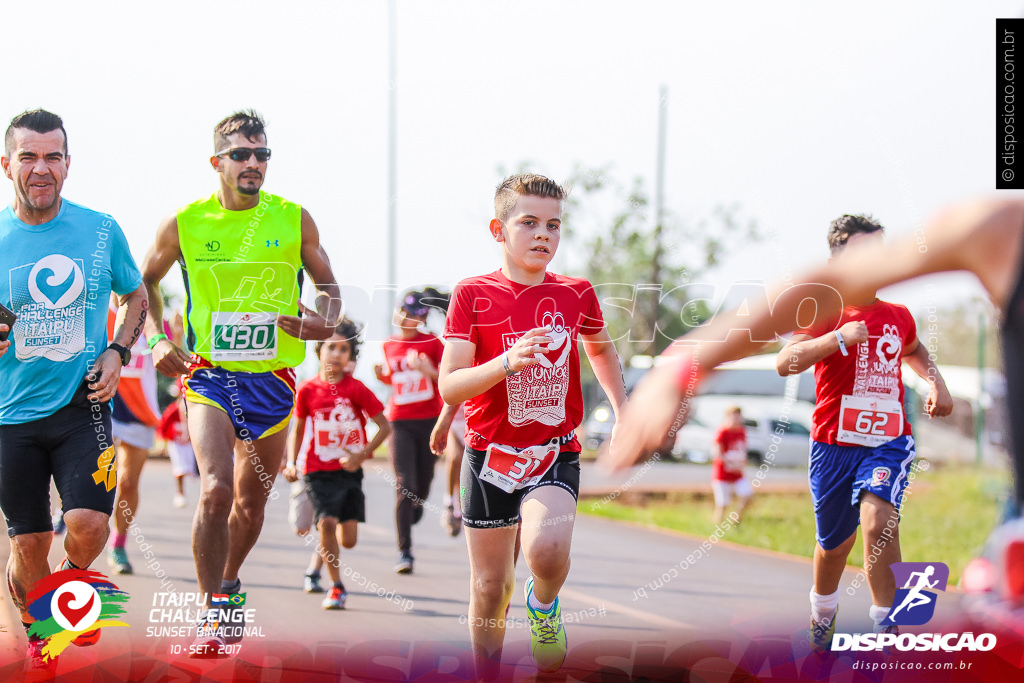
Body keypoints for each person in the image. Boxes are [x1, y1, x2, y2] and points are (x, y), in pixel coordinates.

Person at [140, 110, 341, 655]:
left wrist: (326, 321)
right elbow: (143, 285)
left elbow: (329, 287)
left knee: (250, 507)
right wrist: (157, 339)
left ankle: (227, 580)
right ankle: (211, 611)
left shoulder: (294, 219)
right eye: (242, 155)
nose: (254, 164)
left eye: (263, 154)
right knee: (215, 490)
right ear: (217, 162)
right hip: (208, 375)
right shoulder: (185, 222)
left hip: (273, 379)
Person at [439, 174, 627, 676]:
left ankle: (543, 606)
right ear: (498, 230)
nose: (543, 234)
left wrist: (625, 410)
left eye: (553, 225)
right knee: (488, 587)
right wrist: (506, 361)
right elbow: (451, 384)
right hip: (488, 454)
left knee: (546, 550)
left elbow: (601, 348)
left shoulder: (576, 293)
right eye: (528, 223)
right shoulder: (471, 294)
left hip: (553, 451)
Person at [0, 109, 147, 667]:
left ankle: (68, 586)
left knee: (88, 524)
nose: (42, 168)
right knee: (28, 542)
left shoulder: (101, 230)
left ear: (67, 164)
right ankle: (42, 627)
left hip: (81, 405)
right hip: (8, 415)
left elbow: (136, 297)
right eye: (29, 156)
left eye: (53, 156)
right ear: (7, 164)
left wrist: (118, 350)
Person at [777, 215, 952, 648]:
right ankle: (822, 612)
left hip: (888, 441)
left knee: (879, 521)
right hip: (833, 445)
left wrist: (937, 382)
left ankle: (886, 627)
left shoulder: (897, 315)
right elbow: (786, 362)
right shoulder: (822, 311)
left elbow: (913, 348)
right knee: (834, 546)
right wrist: (837, 339)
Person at [283, 320, 391, 609]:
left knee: (348, 539)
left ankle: (317, 564)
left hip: (349, 472)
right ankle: (337, 587)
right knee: (326, 523)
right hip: (316, 470)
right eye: (331, 347)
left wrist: (361, 455)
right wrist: (292, 462)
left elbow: (384, 426)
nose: (336, 353)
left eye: (344, 349)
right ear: (319, 350)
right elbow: (298, 430)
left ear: (350, 356)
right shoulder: (307, 390)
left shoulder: (356, 389)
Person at [374, 288, 446, 574]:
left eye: (412, 316)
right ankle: (405, 551)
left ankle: (415, 508)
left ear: (422, 318)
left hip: (430, 421)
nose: (405, 320)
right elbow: (397, 380)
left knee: (423, 483)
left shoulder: (433, 342)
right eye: (401, 313)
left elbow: (451, 377)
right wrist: (382, 375)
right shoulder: (389, 345)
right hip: (400, 421)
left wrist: (429, 370)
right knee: (404, 484)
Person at [107, 295, 162, 574]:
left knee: (127, 482)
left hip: (140, 413)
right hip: (101, 406)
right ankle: (68, 517)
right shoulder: (96, 313)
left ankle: (118, 544)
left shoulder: (152, 319)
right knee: (90, 476)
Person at [157, 386, 198, 508]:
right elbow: (162, 428)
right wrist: (162, 445)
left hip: (191, 444)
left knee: (198, 469)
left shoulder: (195, 409)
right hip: (177, 444)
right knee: (180, 469)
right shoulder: (173, 409)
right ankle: (180, 493)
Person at [711, 406, 752, 525]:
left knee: (747, 495)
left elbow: (743, 449)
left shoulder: (742, 431)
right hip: (723, 473)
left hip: (737, 473)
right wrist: (727, 462)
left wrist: (741, 462)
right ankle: (717, 526)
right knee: (723, 504)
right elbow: (716, 451)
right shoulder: (722, 431)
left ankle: (736, 519)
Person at [431, 401, 466, 536]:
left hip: (471, 423)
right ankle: (449, 502)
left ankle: (460, 507)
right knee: (454, 457)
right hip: (452, 424)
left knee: (464, 470)